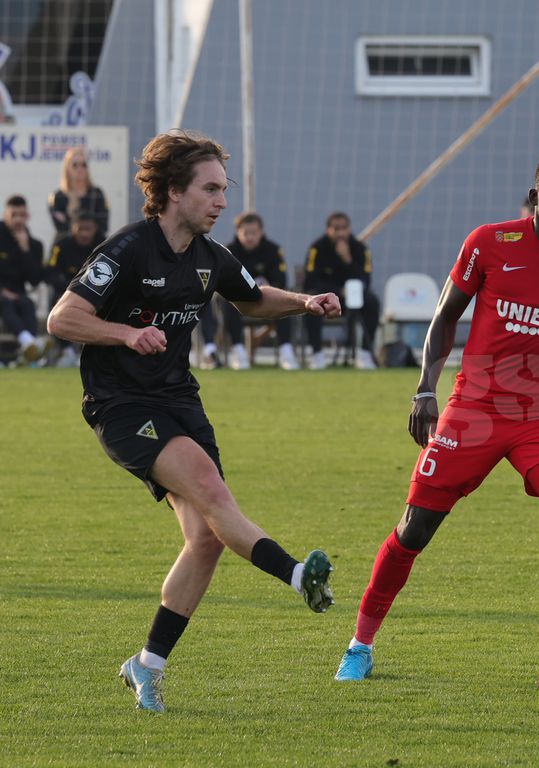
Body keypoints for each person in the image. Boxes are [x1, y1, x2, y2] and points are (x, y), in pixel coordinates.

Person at [45, 131, 339, 713]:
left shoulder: (211, 257)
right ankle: (297, 572)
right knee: (210, 492)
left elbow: (251, 300)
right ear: (173, 192)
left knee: (205, 537)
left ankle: (147, 664)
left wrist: (304, 302)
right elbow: (63, 318)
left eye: (223, 189)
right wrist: (126, 332)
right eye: (210, 189)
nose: (221, 201)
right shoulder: (127, 248)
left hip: (180, 400)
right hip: (122, 406)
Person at [333, 152, 539, 686]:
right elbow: (445, 317)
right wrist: (425, 389)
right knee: (415, 529)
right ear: (536, 195)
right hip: (474, 409)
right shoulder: (489, 243)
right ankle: (360, 644)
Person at [198, 212, 298, 370]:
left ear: (261, 232)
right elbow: (222, 281)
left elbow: (281, 279)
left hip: (266, 298)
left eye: (254, 233)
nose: (250, 237)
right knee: (227, 300)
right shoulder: (228, 251)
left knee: (284, 300)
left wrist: (266, 287)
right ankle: (238, 350)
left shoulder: (273, 250)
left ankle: (286, 351)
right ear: (238, 232)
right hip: (239, 299)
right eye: (246, 233)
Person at [303, 212, 380, 369]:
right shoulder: (317, 248)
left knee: (372, 302)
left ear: (349, 229)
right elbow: (310, 280)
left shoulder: (360, 249)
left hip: (352, 300)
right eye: (336, 229)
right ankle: (316, 354)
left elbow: (365, 279)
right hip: (326, 299)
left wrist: (347, 259)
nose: (340, 233)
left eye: (344, 228)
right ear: (328, 230)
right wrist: (337, 290)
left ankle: (365, 353)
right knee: (310, 305)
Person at [44, 209, 102, 366]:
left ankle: (90, 350)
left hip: (95, 293)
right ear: (73, 227)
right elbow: (50, 273)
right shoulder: (61, 245)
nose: (84, 233)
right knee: (55, 304)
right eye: (80, 228)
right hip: (66, 292)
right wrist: (70, 290)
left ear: (95, 228)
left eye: (87, 229)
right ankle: (67, 350)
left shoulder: (104, 245)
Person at [0, 195, 47, 364]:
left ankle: (28, 352)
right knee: (5, 302)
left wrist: (25, 249)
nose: (18, 219)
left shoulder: (34, 244)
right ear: (6, 215)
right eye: (14, 215)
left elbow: (34, 280)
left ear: (27, 216)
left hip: (18, 293)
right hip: (2, 292)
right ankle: (30, 343)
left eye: (22, 215)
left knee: (27, 303)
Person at [48, 146, 110, 238]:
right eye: (75, 165)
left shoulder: (97, 194)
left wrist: (70, 218)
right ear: (67, 168)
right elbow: (61, 228)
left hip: (93, 246)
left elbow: (103, 226)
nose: (80, 168)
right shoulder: (57, 197)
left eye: (84, 164)